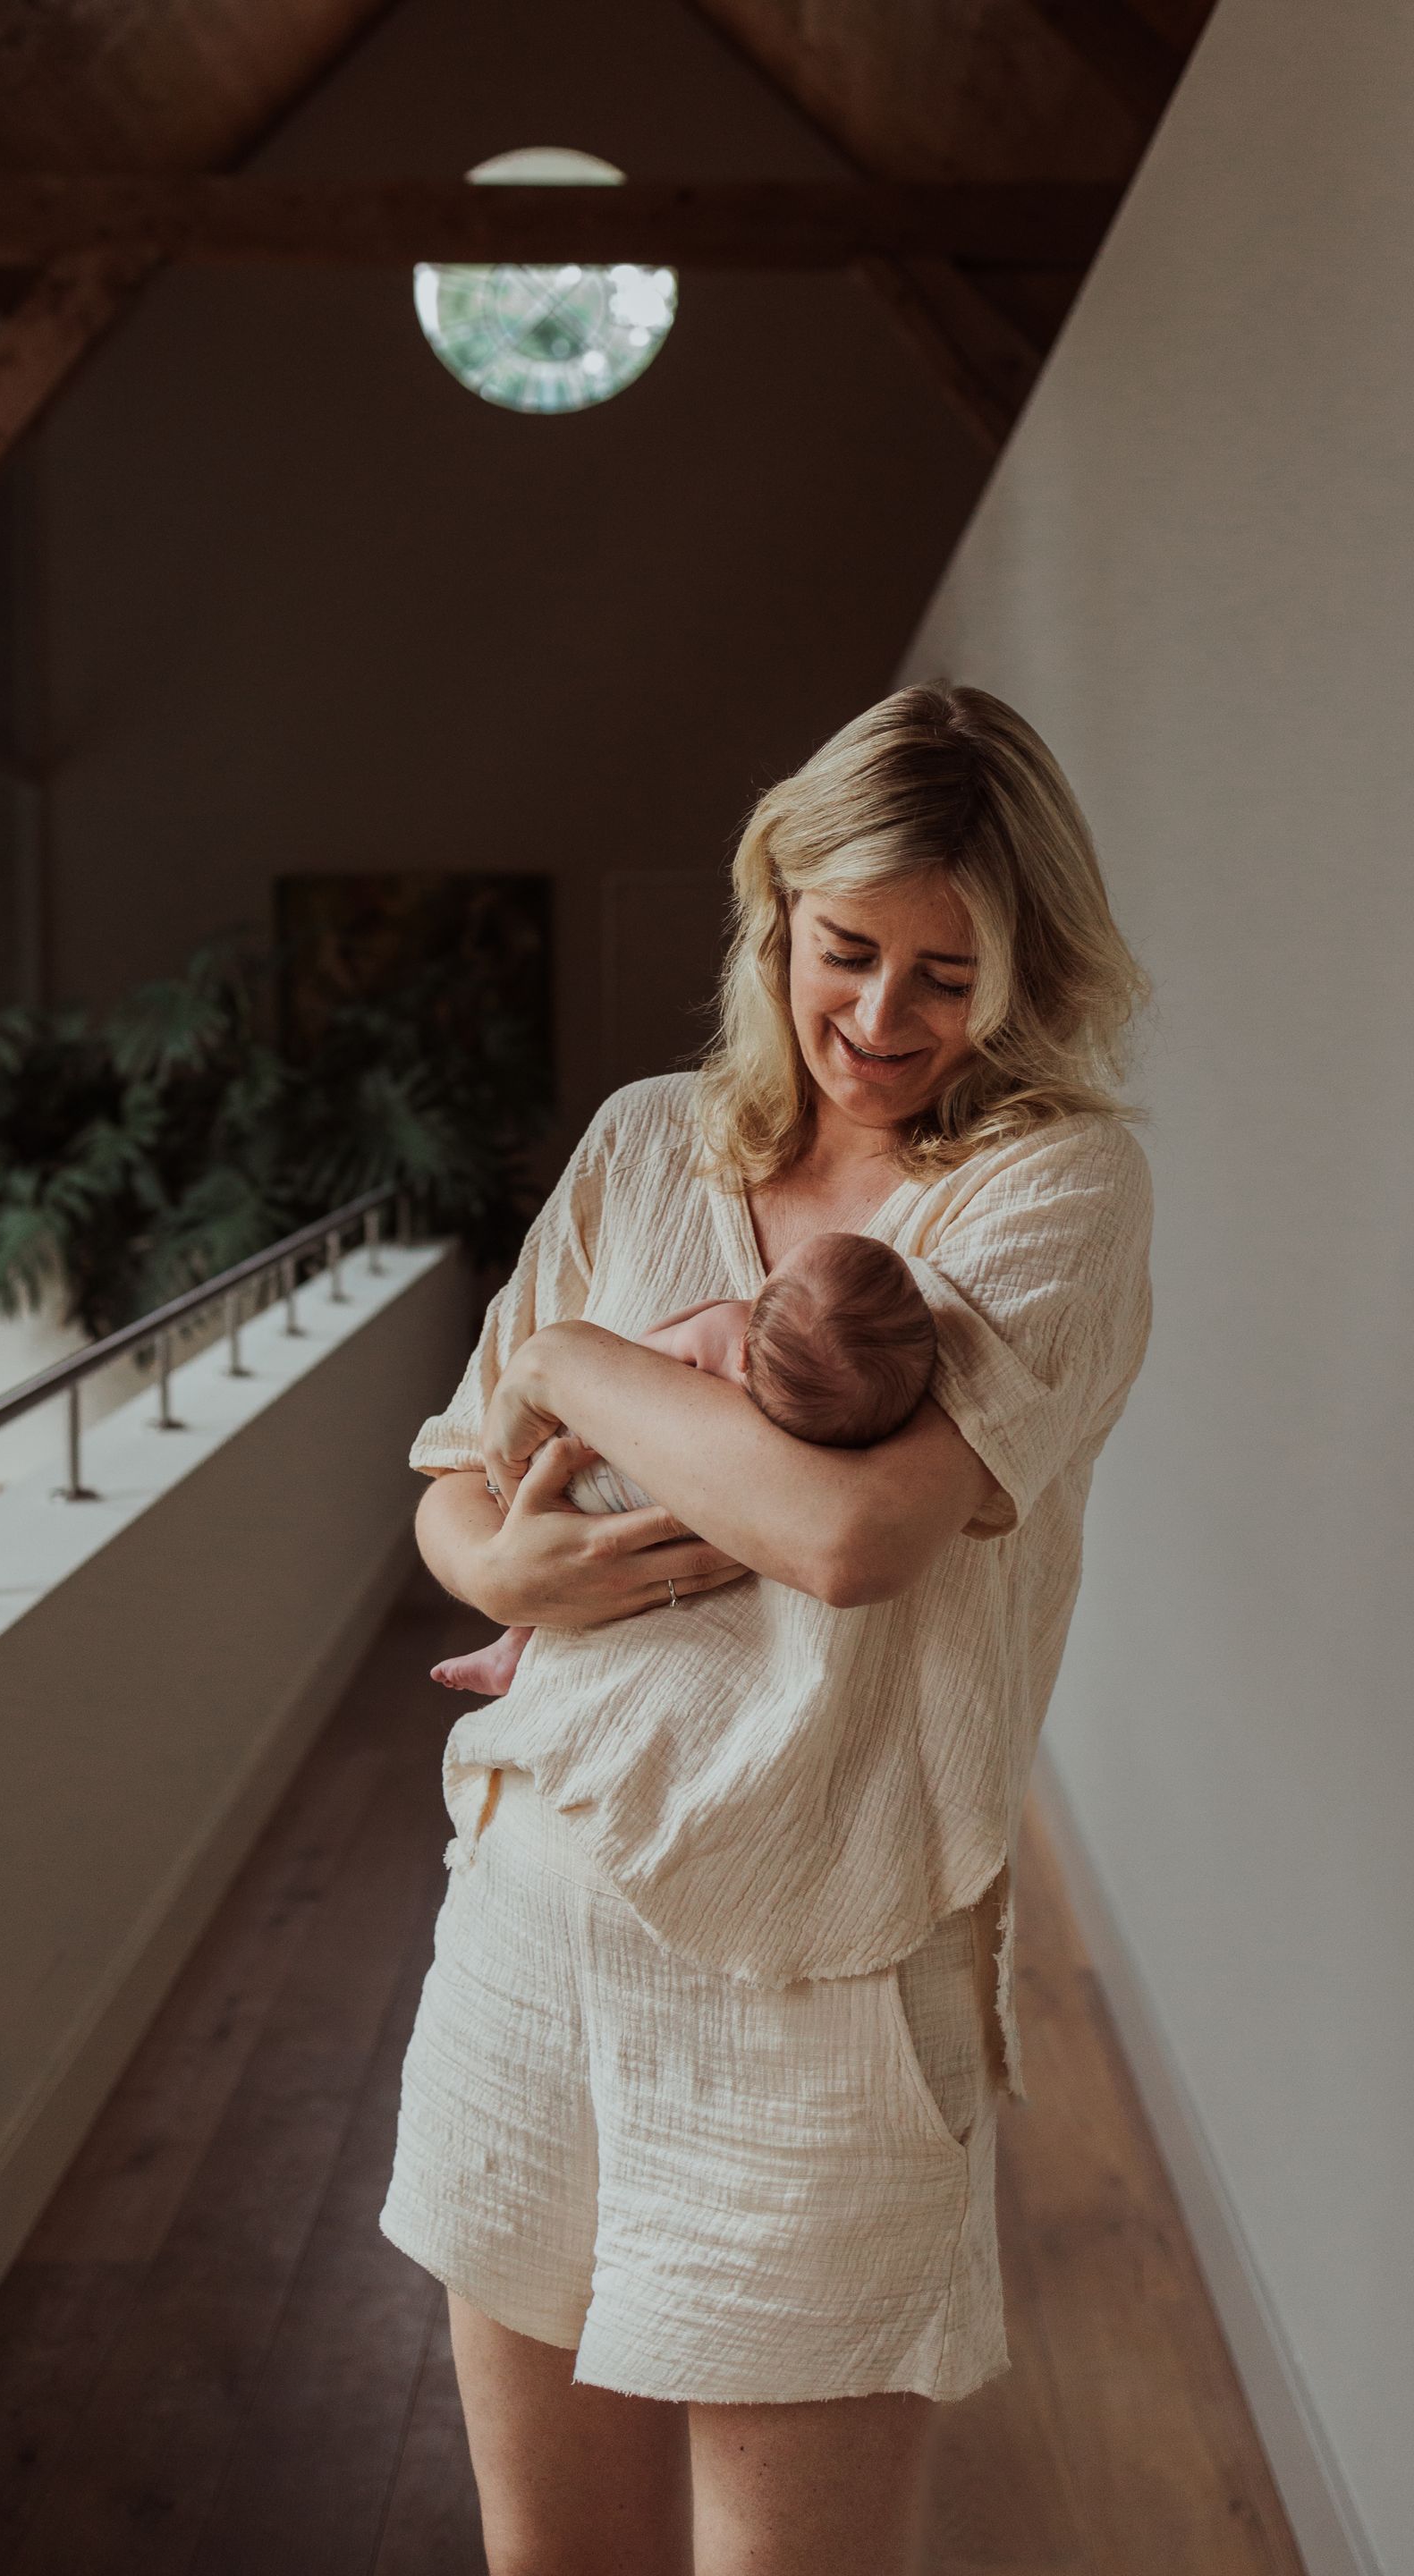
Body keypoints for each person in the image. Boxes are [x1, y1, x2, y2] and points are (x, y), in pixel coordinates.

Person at [378, 681, 1154, 2576]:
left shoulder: (1050, 1187)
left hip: (825, 1975)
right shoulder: (648, 1143)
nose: (884, 1019)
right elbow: (455, 1487)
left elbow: (845, 1533)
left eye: (949, 976)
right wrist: (504, 1578)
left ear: (1029, 970)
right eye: (847, 952)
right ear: (775, 918)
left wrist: (575, 1360)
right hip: (532, 1912)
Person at [430, 1231, 936, 1698]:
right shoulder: (830, 1436)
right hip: (687, 1524)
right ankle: (514, 1648)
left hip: (592, 1471)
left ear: (743, 1355)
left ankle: (514, 1643)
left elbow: (631, 1362)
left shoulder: (724, 1329)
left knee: (546, 1546)